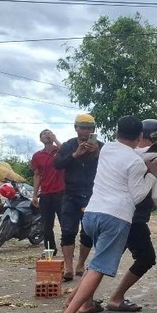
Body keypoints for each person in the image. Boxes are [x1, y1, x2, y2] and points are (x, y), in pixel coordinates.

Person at [56, 116, 157, 313]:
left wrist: (156, 154)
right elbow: (137, 196)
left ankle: (75, 302)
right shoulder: (135, 163)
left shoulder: (108, 148)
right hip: (115, 217)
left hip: (92, 214)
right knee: (99, 268)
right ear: (140, 135)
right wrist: (153, 175)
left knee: (96, 263)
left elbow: (138, 152)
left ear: (117, 132)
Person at [104, 119, 157, 312]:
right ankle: (115, 298)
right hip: (130, 219)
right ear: (143, 139)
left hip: (125, 217)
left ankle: (84, 300)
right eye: (156, 142)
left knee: (103, 260)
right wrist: (154, 170)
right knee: (145, 258)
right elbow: (138, 194)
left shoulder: (128, 156)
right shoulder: (136, 159)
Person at [54, 114, 104, 281]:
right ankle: (68, 267)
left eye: (89, 128)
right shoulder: (68, 145)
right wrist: (75, 154)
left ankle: (80, 264)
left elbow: (111, 166)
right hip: (71, 194)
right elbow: (57, 164)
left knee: (88, 232)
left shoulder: (100, 146)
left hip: (93, 195)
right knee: (68, 231)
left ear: (93, 130)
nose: (85, 131)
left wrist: (97, 153)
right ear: (76, 128)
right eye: (82, 128)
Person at [30, 130, 65, 255]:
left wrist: (55, 139)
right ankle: (50, 250)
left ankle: (67, 249)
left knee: (65, 223)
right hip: (45, 194)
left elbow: (67, 152)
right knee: (46, 225)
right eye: (44, 134)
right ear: (40, 139)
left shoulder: (59, 149)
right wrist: (34, 195)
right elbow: (37, 175)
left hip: (61, 192)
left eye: (49, 133)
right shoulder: (37, 155)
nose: (47, 135)